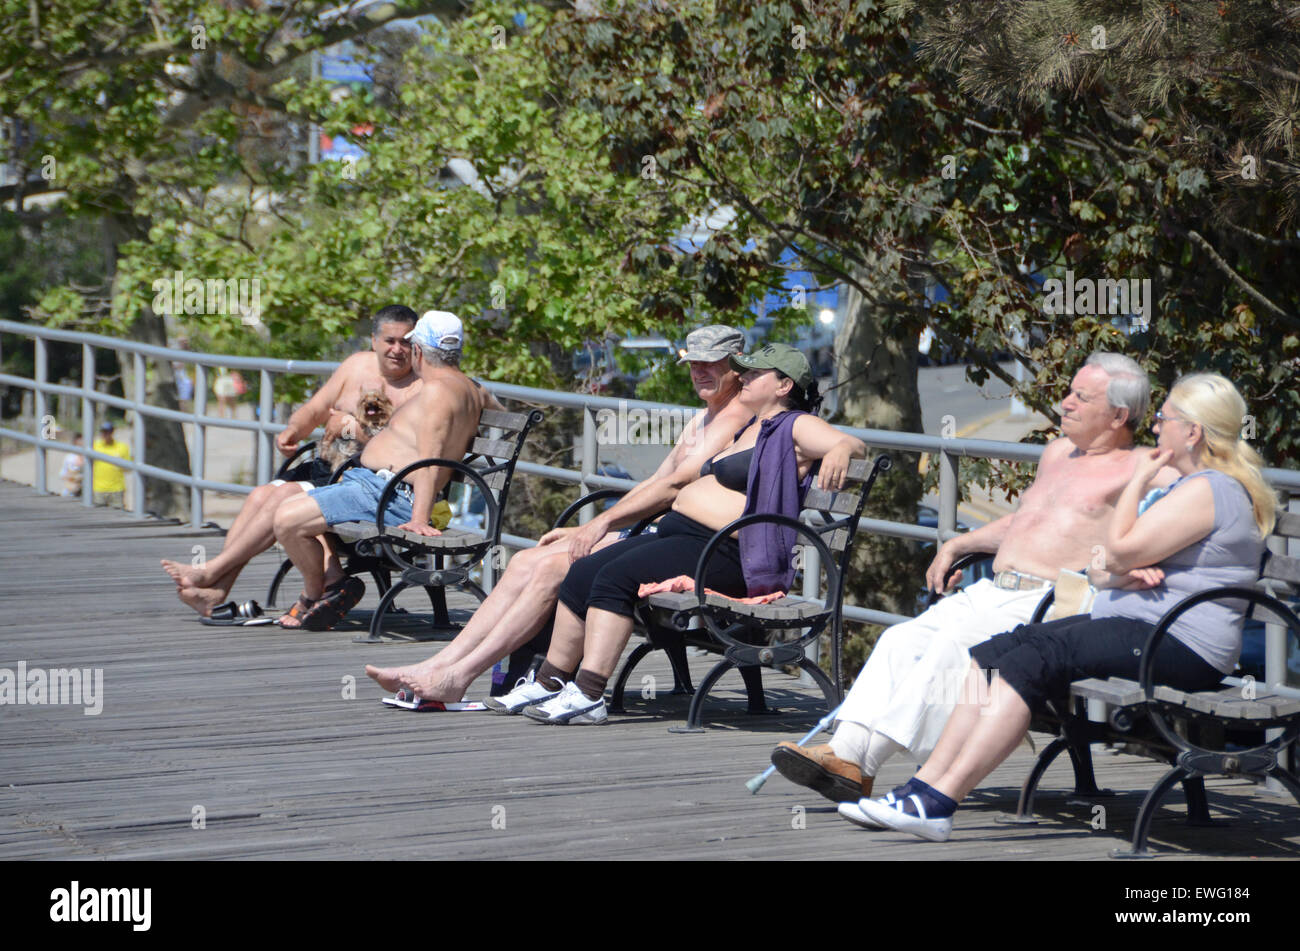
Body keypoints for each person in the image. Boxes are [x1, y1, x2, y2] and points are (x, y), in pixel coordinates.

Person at [844, 372, 1275, 841]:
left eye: (1164, 418)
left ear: (1192, 431)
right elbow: (1104, 569)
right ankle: (921, 789)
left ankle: (939, 801)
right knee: (991, 654)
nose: (1155, 427)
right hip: (1140, 630)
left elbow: (1117, 549)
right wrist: (1118, 568)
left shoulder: (1209, 489)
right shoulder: (1192, 489)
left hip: (1179, 645)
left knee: (1030, 662)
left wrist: (1138, 484)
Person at [769, 352, 1173, 803]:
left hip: (1053, 600)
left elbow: (1196, 504)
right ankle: (846, 755)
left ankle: (863, 762)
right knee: (901, 640)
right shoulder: (1059, 452)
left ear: (1119, 414)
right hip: (996, 589)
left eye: (1080, 396)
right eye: (1068, 393)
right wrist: (959, 544)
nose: (1064, 403)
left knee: (949, 650)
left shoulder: (1145, 468)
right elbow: (1026, 522)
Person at [365, 324, 752, 704]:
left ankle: (460, 676)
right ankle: (441, 664)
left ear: (736, 365)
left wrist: (601, 524)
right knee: (525, 561)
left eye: (710, 363)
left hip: (690, 544)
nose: (698, 370)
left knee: (553, 567)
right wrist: (589, 529)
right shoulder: (704, 416)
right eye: (692, 362)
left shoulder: (734, 418)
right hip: (654, 532)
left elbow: (672, 487)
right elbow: (658, 478)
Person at [512, 343, 868, 725]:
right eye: (744, 371)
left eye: (754, 373)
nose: (744, 377)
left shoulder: (794, 423)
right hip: (687, 541)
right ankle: (551, 682)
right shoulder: (752, 426)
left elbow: (853, 444)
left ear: (784, 386)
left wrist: (841, 449)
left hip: (726, 555)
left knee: (615, 578)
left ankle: (588, 695)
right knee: (583, 571)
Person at [161, 305, 422, 617]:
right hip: (326, 466)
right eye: (389, 340)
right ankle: (217, 590)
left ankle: (210, 574)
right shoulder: (355, 366)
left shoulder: (419, 387)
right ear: (373, 340)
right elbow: (316, 408)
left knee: (283, 496)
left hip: (360, 481)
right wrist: (293, 430)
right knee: (260, 494)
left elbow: (404, 451)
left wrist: (354, 428)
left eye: (405, 341)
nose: (397, 349)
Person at [271, 310, 499, 630]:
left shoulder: (436, 392)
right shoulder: (473, 389)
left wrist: (419, 518)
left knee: (285, 518)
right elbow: (499, 416)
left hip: (388, 495)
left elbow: (430, 458)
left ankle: (315, 595)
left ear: (418, 351)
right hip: (375, 487)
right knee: (285, 507)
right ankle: (323, 591)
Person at [92, 420, 132, 509]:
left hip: (116, 489)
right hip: (98, 488)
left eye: (108, 431)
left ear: (112, 432)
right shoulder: (95, 446)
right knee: (97, 515)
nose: (106, 434)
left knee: (118, 514)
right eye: (103, 432)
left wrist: (119, 464)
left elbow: (129, 468)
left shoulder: (122, 447)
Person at [60, 433, 85, 497]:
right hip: (71, 490)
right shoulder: (70, 457)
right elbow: (63, 474)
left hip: (83, 490)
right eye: (80, 440)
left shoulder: (86, 456)